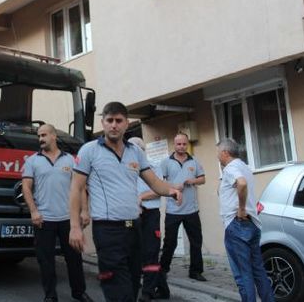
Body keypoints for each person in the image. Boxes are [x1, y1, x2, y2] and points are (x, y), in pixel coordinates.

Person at [69, 101, 183, 302]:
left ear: (126, 123)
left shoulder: (135, 152)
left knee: (131, 284)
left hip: (133, 228)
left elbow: (155, 183)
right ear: (103, 123)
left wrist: (172, 190)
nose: (114, 125)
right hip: (107, 230)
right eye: (109, 120)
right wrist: (74, 226)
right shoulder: (89, 150)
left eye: (118, 120)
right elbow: (76, 188)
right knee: (117, 287)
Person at [22, 124, 93, 302]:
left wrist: (84, 211)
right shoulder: (32, 161)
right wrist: (34, 212)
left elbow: (81, 187)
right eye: (39, 136)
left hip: (68, 220)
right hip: (44, 220)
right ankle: (50, 296)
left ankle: (79, 293)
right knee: (46, 261)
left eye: (44, 135)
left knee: (74, 260)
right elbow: (26, 188)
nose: (41, 139)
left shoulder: (70, 160)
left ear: (54, 136)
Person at [216, 138, 274, 302]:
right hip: (252, 224)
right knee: (258, 270)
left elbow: (241, 184)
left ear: (225, 153)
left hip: (237, 225)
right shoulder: (244, 166)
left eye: (218, 154)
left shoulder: (231, 168)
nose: (218, 157)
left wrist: (240, 209)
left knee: (243, 274)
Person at [156, 132, 207, 297]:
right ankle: (163, 270)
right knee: (170, 242)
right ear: (174, 144)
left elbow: (203, 179)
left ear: (187, 144)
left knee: (196, 241)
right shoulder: (166, 162)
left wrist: (192, 181)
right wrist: (174, 186)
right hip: (173, 210)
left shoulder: (194, 161)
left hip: (191, 209)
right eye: (178, 144)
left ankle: (196, 271)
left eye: (184, 144)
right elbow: (158, 182)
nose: (181, 147)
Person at [128, 137, 163, 302]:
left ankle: (148, 292)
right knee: (133, 253)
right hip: (132, 215)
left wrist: (141, 197)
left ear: (142, 150)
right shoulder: (126, 168)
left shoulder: (154, 166)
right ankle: (160, 286)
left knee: (151, 252)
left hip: (150, 214)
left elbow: (160, 190)